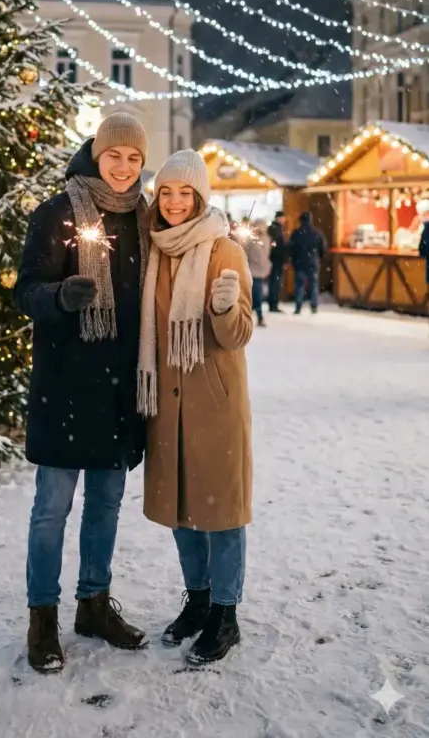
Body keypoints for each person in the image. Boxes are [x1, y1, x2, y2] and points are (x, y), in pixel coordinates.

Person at [15, 112, 150, 673]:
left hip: (119, 391)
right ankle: (42, 617)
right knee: (52, 509)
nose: (123, 167)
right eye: (114, 155)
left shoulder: (146, 220)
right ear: (96, 154)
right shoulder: (56, 212)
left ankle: (93, 602)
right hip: (66, 387)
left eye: (134, 158)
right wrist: (60, 297)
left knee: (107, 506)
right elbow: (26, 291)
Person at [138, 150, 253, 667]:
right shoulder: (154, 250)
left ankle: (225, 615)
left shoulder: (225, 250)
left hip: (214, 403)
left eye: (185, 192)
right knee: (183, 511)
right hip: (167, 404)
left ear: (201, 196)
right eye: (167, 192)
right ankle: (199, 600)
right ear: (157, 197)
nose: (176, 201)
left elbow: (240, 334)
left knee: (222, 514)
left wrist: (226, 308)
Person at [288, 210, 326, 315]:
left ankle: (298, 306)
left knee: (299, 285)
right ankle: (314, 306)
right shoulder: (317, 232)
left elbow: (291, 248)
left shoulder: (296, 233)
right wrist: (318, 258)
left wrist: (293, 260)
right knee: (313, 285)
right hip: (313, 262)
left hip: (300, 262)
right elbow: (322, 248)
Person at [241, 218, 272, 327]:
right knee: (252, 296)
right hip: (252, 271)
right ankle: (253, 316)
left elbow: (263, 256)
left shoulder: (264, 239)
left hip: (258, 271)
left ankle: (256, 316)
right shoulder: (251, 239)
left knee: (255, 296)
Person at [267, 210, 287, 312]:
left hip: (275, 259)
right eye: (283, 217)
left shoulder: (275, 229)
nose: (284, 220)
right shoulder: (276, 230)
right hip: (276, 260)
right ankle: (273, 304)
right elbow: (277, 246)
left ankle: (273, 303)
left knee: (274, 282)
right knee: (275, 282)